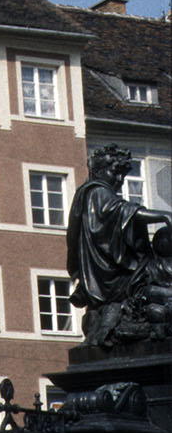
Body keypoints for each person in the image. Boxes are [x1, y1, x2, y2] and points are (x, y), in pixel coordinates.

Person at [66, 144, 172, 346]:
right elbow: (120, 211)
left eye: (123, 175)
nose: (120, 180)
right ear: (98, 171)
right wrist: (162, 216)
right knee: (153, 288)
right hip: (111, 276)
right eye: (115, 172)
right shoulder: (96, 191)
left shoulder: (89, 193)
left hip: (112, 272)